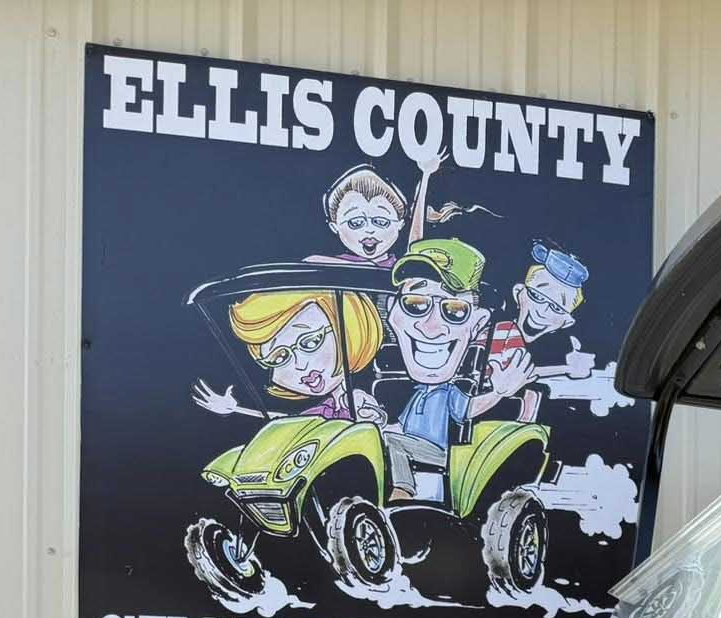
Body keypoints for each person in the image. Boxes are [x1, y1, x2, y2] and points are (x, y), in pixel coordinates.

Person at [381, 237, 534, 499]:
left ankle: (403, 490)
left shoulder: (448, 393)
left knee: (394, 443)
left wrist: (498, 392)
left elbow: (468, 409)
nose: (431, 327)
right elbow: (401, 426)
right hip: (412, 447)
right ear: (392, 310)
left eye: (454, 310)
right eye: (415, 304)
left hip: (437, 453)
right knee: (385, 438)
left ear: (478, 322)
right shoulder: (419, 393)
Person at [192, 289, 384, 422]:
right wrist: (235, 409)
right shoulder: (323, 409)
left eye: (310, 342)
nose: (300, 365)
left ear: (350, 327)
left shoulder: (353, 400)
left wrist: (370, 416)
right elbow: (285, 422)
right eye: (279, 358)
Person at [309, 152, 481, 268]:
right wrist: (365, 266)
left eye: (381, 222)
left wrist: (426, 176)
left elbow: (415, 244)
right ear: (335, 226)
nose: (369, 230)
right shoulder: (333, 264)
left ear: (399, 224)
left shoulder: (399, 267)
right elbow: (311, 260)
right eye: (356, 222)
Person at [487, 241, 594, 422]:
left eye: (557, 308)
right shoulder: (502, 330)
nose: (542, 312)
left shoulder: (557, 349)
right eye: (536, 296)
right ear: (519, 292)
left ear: (567, 322)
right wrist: (568, 369)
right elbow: (517, 374)